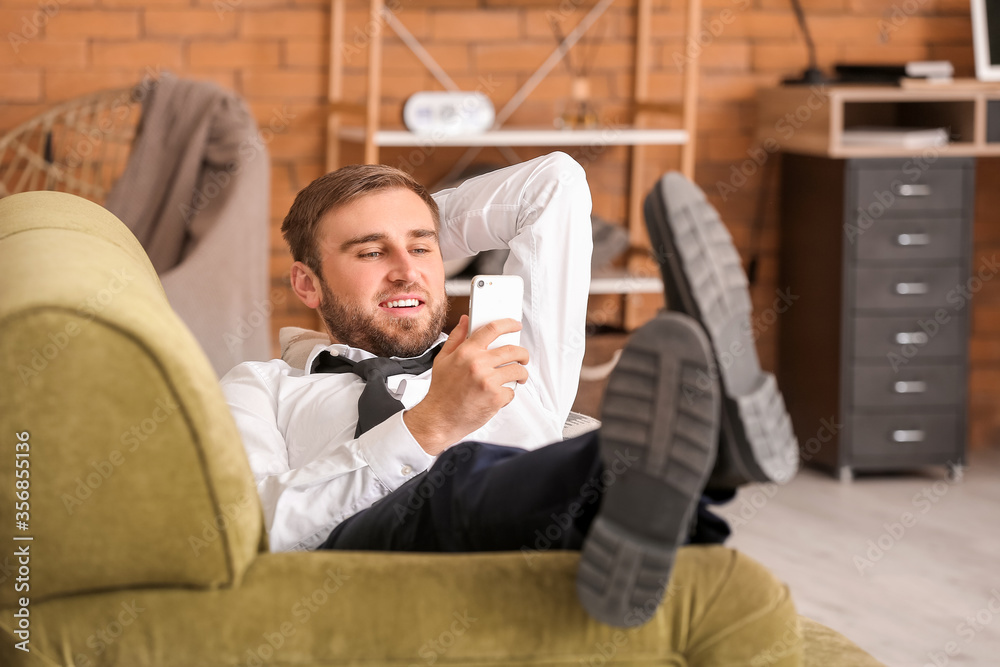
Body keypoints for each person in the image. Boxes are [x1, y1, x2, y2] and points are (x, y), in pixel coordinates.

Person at [220, 152, 797, 628]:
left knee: (588, 471)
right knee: (462, 475)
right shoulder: (262, 387)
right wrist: (428, 427)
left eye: (423, 249)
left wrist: (407, 217)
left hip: (533, 543)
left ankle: (645, 510)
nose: (407, 271)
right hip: (361, 577)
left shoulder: (504, 353)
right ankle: (711, 449)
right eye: (370, 252)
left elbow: (554, 184)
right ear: (307, 282)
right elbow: (253, 526)